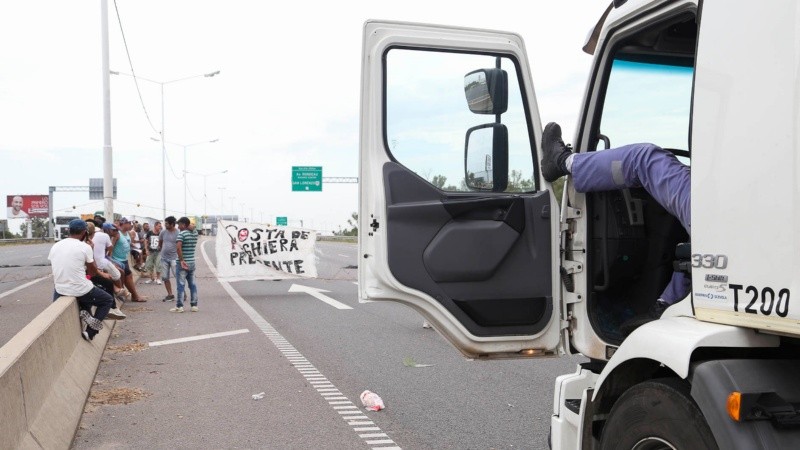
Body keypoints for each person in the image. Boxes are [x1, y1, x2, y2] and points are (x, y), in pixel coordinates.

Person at [540, 122, 690, 332]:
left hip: (722, 207)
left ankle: (562, 161)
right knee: (703, 245)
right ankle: (666, 306)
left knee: (643, 160)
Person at [47, 219, 121, 341]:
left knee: (85, 292)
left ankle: (84, 310)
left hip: (60, 289)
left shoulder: (56, 246)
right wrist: (91, 249)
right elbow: (92, 272)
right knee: (107, 300)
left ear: (69, 231)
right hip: (80, 289)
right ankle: (91, 331)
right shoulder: (85, 247)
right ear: (84, 233)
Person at [85, 222, 126, 320]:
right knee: (107, 282)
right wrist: (100, 273)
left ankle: (114, 302)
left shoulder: (87, 244)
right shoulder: (86, 245)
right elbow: (90, 266)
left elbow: (91, 263)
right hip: (85, 276)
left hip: (85, 274)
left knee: (107, 281)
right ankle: (113, 305)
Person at [110, 217, 145, 302]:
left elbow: (128, 243)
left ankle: (133, 295)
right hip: (117, 260)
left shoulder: (127, 233)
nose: (131, 225)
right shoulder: (117, 234)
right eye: (129, 223)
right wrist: (111, 261)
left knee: (128, 276)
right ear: (124, 223)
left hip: (124, 259)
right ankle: (134, 296)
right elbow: (111, 247)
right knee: (127, 276)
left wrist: (135, 248)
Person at [171, 217, 199, 313]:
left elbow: (178, 248)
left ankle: (180, 306)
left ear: (183, 225)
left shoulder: (181, 234)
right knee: (193, 285)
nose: (178, 226)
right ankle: (194, 305)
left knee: (181, 285)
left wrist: (182, 260)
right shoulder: (195, 234)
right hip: (192, 262)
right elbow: (193, 228)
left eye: (179, 224)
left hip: (182, 264)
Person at [158, 216, 179, 302]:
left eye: (166, 223)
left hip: (174, 258)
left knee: (178, 277)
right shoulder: (163, 232)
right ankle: (170, 295)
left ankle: (182, 293)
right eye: (165, 223)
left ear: (172, 224)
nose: (165, 225)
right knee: (165, 277)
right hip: (164, 258)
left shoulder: (178, 233)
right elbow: (160, 242)